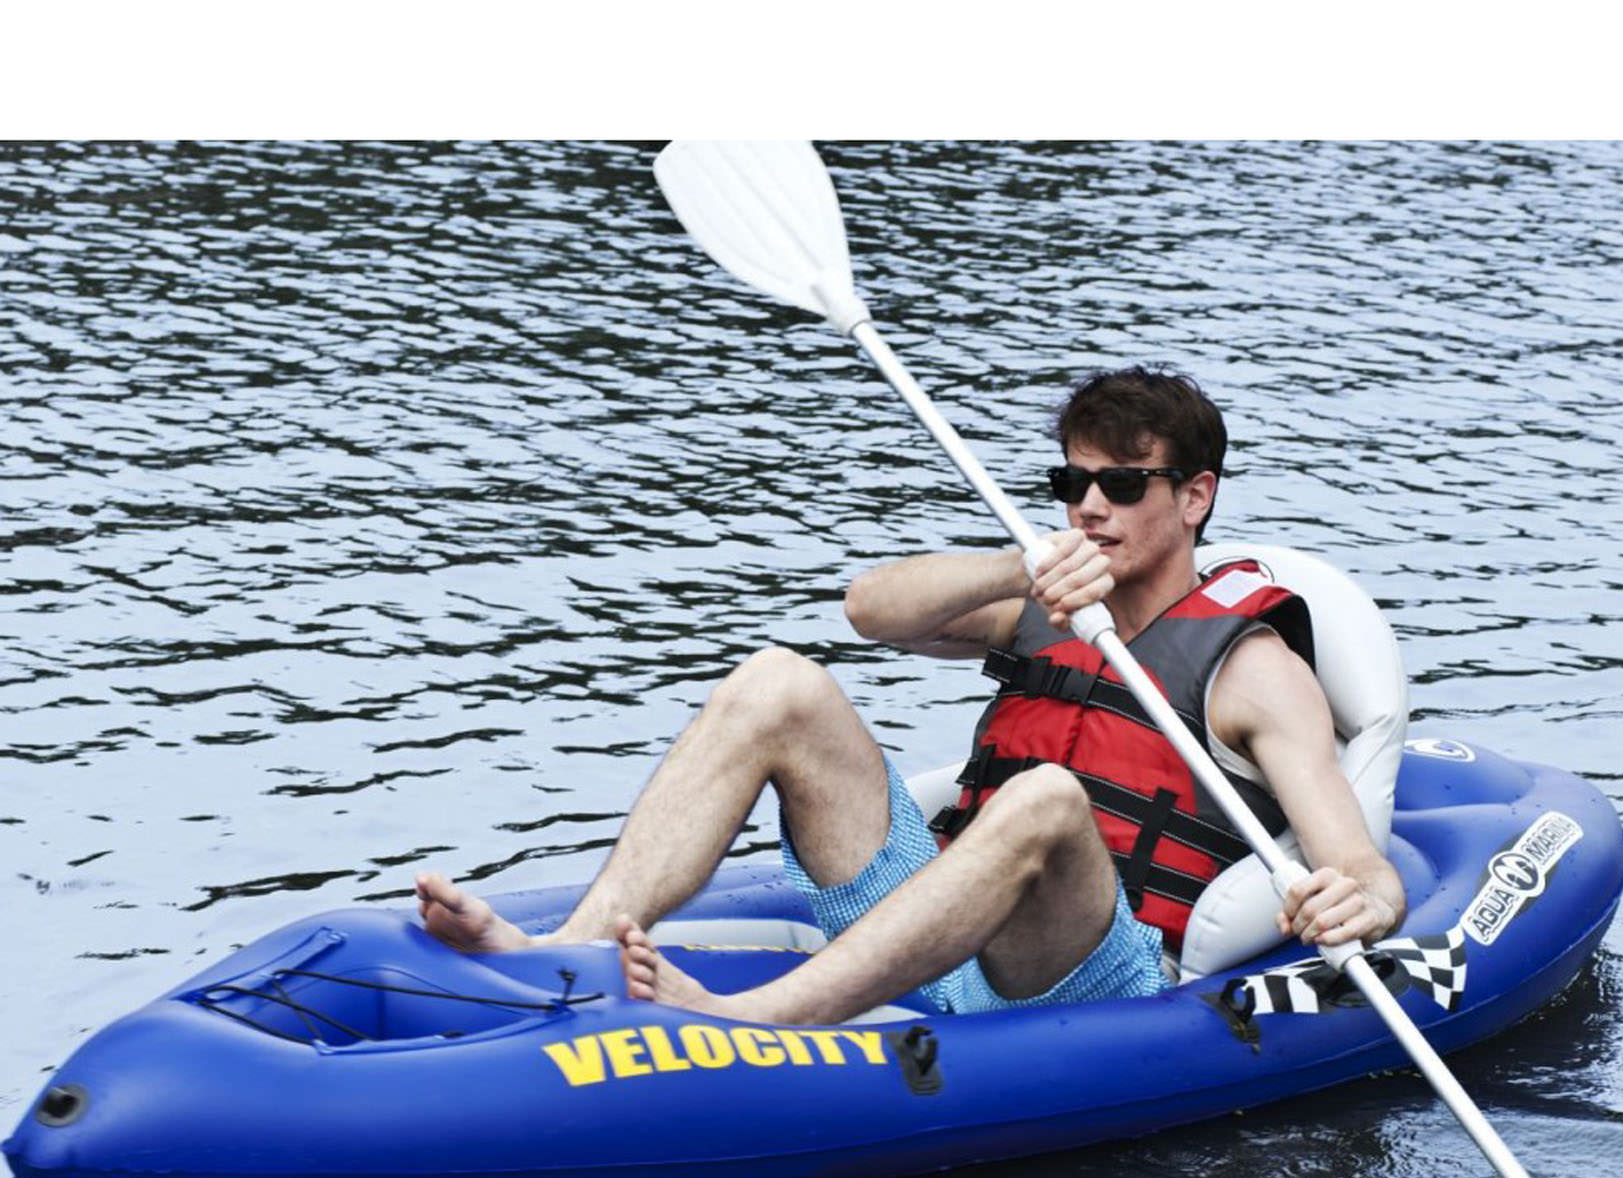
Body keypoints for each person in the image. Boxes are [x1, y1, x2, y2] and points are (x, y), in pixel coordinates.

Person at [415, 367, 1405, 1025]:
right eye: (1071, 483)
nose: (1089, 507)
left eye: (1123, 486)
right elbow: (868, 609)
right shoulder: (1043, 605)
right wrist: (1019, 567)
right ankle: (563, 954)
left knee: (1046, 797)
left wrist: (1351, 901)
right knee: (777, 681)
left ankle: (752, 1020)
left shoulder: (1252, 668)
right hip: (932, 921)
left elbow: (1364, 868)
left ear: (1194, 496)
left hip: (1087, 969)